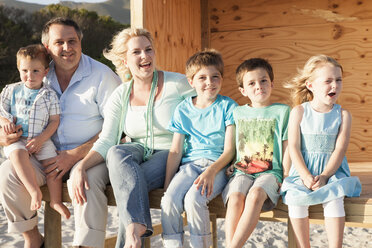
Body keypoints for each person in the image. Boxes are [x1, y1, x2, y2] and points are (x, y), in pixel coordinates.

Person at [0, 17, 121, 248]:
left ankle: (86, 245)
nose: (67, 48)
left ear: (80, 42)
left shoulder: (102, 76)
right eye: (59, 42)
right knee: (7, 172)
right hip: (43, 157)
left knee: (86, 178)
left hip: (90, 156)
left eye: (72, 41)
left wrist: (75, 155)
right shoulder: (37, 73)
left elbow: (118, 128)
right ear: (47, 48)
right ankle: (33, 239)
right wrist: (3, 136)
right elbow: (13, 114)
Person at [71, 27, 195, 248]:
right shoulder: (121, 94)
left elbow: (205, 113)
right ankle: (134, 229)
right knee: (116, 152)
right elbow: (108, 140)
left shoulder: (179, 84)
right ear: (125, 61)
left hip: (170, 153)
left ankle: (132, 231)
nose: (145, 56)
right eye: (136, 52)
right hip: (137, 151)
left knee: (128, 190)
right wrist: (81, 166)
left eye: (148, 50)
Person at [280, 55, 362, 248]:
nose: (334, 85)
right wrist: (305, 176)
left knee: (334, 199)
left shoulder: (343, 115)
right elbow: (293, 147)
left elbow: (340, 149)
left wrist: (325, 176)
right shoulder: (299, 112)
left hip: (331, 172)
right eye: (328, 81)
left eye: (338, 80)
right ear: (310, 85)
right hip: (302, 171)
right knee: (295, 200)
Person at [160, 49, 237, 248]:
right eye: (202, 77)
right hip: (190, 167)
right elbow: (176, 151)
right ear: (191, 81)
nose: (209, 82)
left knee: (194, 199)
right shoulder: (183, 109)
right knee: (169, 200)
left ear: (221, 79)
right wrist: (168, 183)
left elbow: (229, 150)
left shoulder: (228, 107)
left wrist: (211, 171)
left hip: (217, 167)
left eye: (215, 77)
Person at [222, 58, 291, 248]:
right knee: (235, 197)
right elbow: (235, 144)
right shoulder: (237, 113)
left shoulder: (283, 112)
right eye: (251, 83)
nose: (258, 86)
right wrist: (231, 164)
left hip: (271, 172)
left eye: (263, 81)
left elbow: (287, 147)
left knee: (255, 194)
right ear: (243, 90)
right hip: (242, 170)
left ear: (272, 84)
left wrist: (286, 176)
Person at [0, 44, 70, 219]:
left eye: (35, 71)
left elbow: (55, 121)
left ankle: (55, 201)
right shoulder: (12, 90)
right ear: (19, 68)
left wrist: (41, 139)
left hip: (41, 138)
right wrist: (6, 122)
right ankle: (34, 191)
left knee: (53, 167)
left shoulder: (49, 95)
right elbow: (1, 111)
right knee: (17, 156)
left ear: (45, 72)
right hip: (17, 139)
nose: (29, 76)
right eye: (25, 70)